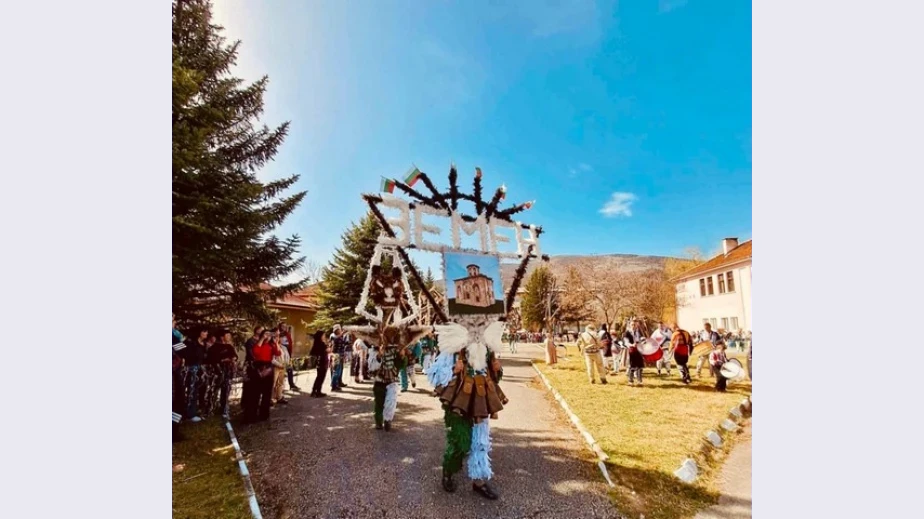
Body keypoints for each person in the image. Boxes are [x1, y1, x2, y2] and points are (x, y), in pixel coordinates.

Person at [367, 331, 404, 431]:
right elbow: (371, 367)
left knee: (391, 402)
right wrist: (379, 355)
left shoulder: (395, 350)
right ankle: (378, 422)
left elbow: (400, 366)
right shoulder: (373, 351)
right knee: (379, 403)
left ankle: (388, 420)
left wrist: (401, 356)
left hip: (392, 381)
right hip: (379, 382)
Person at [244, 330, 275, 422]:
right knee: (255, 393)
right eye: (266, 334)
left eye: (269, 334)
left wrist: (276, 342)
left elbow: (278, 352)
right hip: (258, 367)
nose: (268, 336)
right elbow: (256, 352)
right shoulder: (257, 343)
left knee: (267, 393)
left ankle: (264, 415)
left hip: (268, 367)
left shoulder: (271, 345)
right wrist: (262, 338)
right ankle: (252, 415)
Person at [207, 330, 239, 418]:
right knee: (214, 391)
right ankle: (210, 409)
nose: (229, 337)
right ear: (222, 337)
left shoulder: (229, 346)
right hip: (217, 372)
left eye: (229, 336)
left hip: (227, 371)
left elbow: (235, 356)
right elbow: (212, 359)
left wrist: (233, 359)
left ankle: (224, 409)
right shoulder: (213, 348)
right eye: (227, 336)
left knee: (226, 390)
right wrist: (223, 360)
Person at [180, 328, 208, 422]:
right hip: (190, 369)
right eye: (204, 331)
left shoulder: (204, 344)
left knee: (196, 391)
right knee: (191, 391)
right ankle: (189, 414)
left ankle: (193, 411)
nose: (206, 333)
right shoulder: (190, 342)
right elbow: (181, 351)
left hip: (200, 370)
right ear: (199, 332)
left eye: (207, 332)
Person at [277, 323, 300, 391]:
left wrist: (290, 354)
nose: (284, 327)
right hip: (280, 354)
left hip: (287, 354)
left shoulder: (287, 334)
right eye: (283, 326)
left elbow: (290, 344)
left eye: (285, 326)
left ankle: (291, 385)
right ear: (280, 326)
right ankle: (279, 387)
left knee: (290, 369)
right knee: (281, 371)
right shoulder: (277, 334)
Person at [624, 320, 645, 386]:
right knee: (632, 365)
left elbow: (641, 339)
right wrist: (632, 345)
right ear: (630, 325)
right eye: (632, 325)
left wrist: (643, 341)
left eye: (634, 325)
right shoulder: (627, 333)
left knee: (640, 366)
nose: (633, 326)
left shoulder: (638, 331)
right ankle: (631, 381)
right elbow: (626, 342)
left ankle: (639, 382)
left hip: (639, 350)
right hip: (632, 350)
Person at [310, 330, 330, 398]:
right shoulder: (321, 344)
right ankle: (317, 391)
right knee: (320, 377)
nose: (324, 336)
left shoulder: (317, 343)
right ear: (320, 336)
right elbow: (328, 350)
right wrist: (328, 346)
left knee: (319, 377)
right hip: (322, 362)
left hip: (319, 362)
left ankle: (315, 391)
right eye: (323, 335)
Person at [271, 334, 290, 405]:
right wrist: (279, 365)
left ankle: (279, 397)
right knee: (273, 383)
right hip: (275, 366)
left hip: (283, 366)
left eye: (278, 337)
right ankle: (271, 398)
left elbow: (287, 356)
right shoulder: (272, 346)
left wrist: (287, 363)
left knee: (281, 383)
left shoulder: (283, 347)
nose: (277, 338)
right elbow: (272, 359)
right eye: (275, 337)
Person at [329, 325, 349, 392]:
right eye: (340, 329)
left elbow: (344, 344)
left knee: (339, 371)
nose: (341, 330)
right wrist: (342, 333)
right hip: (336, 355)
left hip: (340, 355)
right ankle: (334, 386)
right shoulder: (333, 336)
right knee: (336, 371)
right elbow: (335, 340)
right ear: (337, 330)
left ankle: (337, 384)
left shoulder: (340, 337)